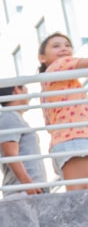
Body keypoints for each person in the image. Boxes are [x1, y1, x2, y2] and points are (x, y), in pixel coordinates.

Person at [37, 31, 88, 189]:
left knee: (80, 197)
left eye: (68, 45)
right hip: (74, 140)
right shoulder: (57, 66)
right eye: (56, 46)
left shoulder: (53, 83)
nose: (64, 49)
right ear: (42, 58)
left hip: (68, 141)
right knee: (80, 198)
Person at [0, 82, 48, 194]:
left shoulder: (14, 117)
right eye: (25, 90)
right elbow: (10, 154)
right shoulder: (8, 117)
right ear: (16, 90)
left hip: (30, 190)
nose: (28, 94)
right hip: (23, 191)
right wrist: (28, 185)